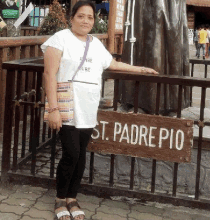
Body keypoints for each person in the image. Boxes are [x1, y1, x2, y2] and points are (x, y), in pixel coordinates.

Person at [41, 1, 158, 220]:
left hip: (88, 107)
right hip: (66, 107)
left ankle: (72, 198)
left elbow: (111, 63)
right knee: (71, 154)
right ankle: (59, 199)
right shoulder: (59, 39)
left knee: (81, 155)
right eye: (81, 16)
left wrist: (139, 68)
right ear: (71, 18)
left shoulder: (94, 43)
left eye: (90, 17)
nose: (86, 21)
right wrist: (54, 109)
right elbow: (49, 75)